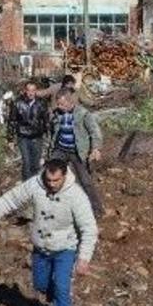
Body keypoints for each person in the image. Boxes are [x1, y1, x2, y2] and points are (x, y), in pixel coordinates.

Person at [0, 158, 98, 306]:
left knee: (62, 286)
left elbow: (89, 228)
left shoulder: (76, 196)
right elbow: (11, 198)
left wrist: (84, 259)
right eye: (49, 180)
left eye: (56, 181)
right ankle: (55, 298)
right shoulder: (35, 185)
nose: (51, 184)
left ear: (64, 176)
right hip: (41, 248)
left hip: (65, 248)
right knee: (41, 285)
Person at [47, 89, 105, 218]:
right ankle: (55, 209)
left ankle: (97, 210)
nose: (59, 107)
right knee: (51, 177)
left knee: (85, 181)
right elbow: (51, 134)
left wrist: (96, 148)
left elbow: (95, 132)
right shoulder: (56, 114)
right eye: (58, 104)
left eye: (61, 104)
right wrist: (48, 153)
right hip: (60, 149)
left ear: (69, 102)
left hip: (77, 151)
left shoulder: (83, 114)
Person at [7, 80, 50, 181]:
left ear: (36, 91)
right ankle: (26, 187)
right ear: (25, 91)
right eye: (29, 90)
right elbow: (12, 121)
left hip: (37, 136)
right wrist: (10, 139)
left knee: (36, 164)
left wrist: (48, 134)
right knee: (26, 163)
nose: (31, 93)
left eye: (33, 90)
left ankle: (35, 185)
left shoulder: (41, 103)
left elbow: (46, 120)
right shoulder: (17, 103)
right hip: (23, 137)